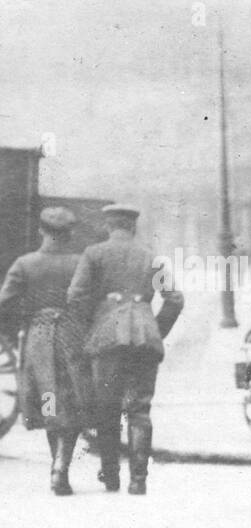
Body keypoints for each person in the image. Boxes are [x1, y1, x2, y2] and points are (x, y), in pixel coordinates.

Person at [68, 204, 184, 495]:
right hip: (145, 336)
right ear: (133, 227)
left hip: (107, 336)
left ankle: (110, 475)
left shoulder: (94, 254)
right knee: (140, 408)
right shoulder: (152, 257)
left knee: (106, 407)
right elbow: (175, 299)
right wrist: (156, 328)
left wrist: (91, 327)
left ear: (108, 226)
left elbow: (75, 296)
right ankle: (139, 479)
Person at [0, 207, 91, 495]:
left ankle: (57, 464)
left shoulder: (25, 264)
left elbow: (4, 303)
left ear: (41, 230)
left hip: (38, 339)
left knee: (49, 399)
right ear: (70, 233)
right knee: (72, 400)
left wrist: (13, 331)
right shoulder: (81, 263)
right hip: (73, 336)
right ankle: (61, 466)